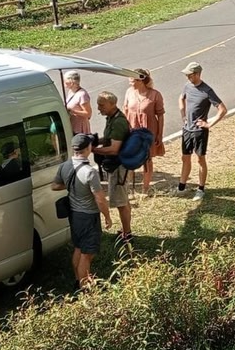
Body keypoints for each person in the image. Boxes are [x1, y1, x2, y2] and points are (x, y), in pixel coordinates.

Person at [51, 134, 112, 289]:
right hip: (89, 216)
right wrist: (107, 216)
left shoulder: (64, 166)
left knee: (78, 248)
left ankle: (77, 279)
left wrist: (72, 186)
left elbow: (55, 186)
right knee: (87, 253)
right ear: (88, 148)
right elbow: (100, 199)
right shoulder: (90, 172)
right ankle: (84, 287)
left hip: (74, 214)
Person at [178, 61, 227, 201]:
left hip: (199, 131)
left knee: (200, 159)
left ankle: (201, 189)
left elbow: (222, 110)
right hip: (187, 129)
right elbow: (181, 98)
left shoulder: (207, 91)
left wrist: (209, 124)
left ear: (198, 74)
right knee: (185, 158)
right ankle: (181, 187)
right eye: (187, 75)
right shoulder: (187, 86)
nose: (188, 77)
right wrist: (183, 115)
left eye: (190, 75)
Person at [93, 91, 133, 244]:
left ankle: (127, 235)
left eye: (101, 105)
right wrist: (95, 141)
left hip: (119, 167)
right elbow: (110, 139)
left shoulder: (118, 122)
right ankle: (126, 230)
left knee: (121, 202)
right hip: (116, 166)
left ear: (112, 104)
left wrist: (93, 149)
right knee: (123, 200)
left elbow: (114, 149)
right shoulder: (112, 118)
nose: (99, 108)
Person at [123, 69, 165, 195]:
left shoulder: (155, 95)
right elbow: (125, 110)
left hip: (148, 131)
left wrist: (159, 134)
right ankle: (130, 187)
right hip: (132, 130)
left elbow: (160, 115)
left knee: (147, 159)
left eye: (132, 81)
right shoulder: (129, 92)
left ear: (140, 80)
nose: (130, 83)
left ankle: (145, 189)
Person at [64, 71, 92, 135]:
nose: (64, 82)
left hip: (80, 129)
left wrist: (73, 111)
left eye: (65, 80)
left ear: (71, 82)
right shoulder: (71, 91)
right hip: (73, 126)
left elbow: (88, 113)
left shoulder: (82, 95)